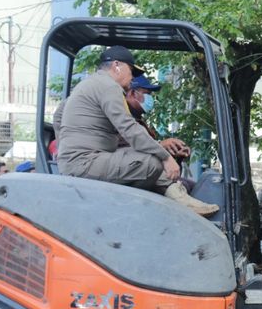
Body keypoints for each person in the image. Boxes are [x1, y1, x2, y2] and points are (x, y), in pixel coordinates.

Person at [53, 45, 218, 216]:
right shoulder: (109, 86)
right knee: (151, 163)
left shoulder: (88, 84)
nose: (132, 78)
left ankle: (177, 195)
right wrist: (165, 156)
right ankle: (140, 207)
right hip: (85, 162)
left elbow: (58, 116)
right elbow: (128, 128)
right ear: (117, 66)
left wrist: (64, 149)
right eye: (131, 71)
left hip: (83, 160)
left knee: (145, 158)